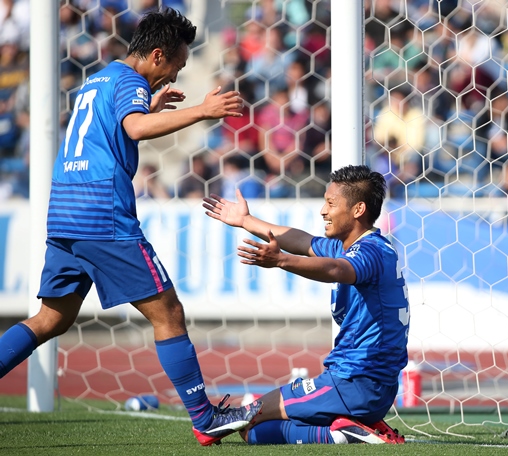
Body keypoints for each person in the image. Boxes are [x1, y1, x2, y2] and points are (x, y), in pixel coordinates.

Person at [0, 8, 260, 446]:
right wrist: (202, 111)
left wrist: (150, 106)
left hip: (64, 211)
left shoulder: (99, 79)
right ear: (156, 55)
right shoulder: (131, 81)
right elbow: (135, 128)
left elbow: (113, 130)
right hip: (101, 213)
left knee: (51, 318)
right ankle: (205, 419)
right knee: (168, 312)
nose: (174, 74)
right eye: (175, 64)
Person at [202, 164, 409, 444]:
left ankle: (351, 434)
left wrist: (281, 261)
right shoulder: (358, 246)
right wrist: (246, 221)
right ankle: (349, 429)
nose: (323, 211)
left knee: (249, 418)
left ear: (358, 209)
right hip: (370, 388)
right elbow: (301, 240)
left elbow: (337, 269)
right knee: (255, 432)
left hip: (353, 382)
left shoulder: (369, 252)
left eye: (331, 203)